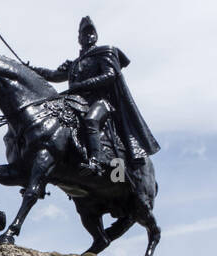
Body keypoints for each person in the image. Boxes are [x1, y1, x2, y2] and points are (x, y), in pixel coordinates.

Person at [31, 16, 160, 175]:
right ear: (79, 38)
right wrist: (31, 69)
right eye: (85, 33)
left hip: (101, 101)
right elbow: (54, 75)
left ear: (96, 35)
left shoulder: (105, 52)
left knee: (91, 119)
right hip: (78, 101)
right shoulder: (75, 64)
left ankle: (96, 162)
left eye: (91, 32)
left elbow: (110, 75)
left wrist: (81, 85)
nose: (89, 36)